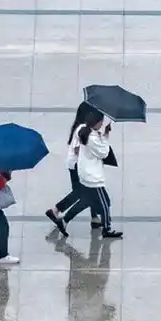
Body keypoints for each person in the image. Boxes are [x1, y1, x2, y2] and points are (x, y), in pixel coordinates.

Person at [45, 101, 102, 234]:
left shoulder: (83, 126)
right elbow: (78, 149)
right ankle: (56, 211)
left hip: (76, 165)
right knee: (84, 193)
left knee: (87, 191)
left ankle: (94, 218)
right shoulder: (82, 127)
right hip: (78, 166)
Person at [74, 107, 122, 239]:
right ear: (97, 122)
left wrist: (103, 134)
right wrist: (106, 136)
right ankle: (107, 229)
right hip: (93, 177)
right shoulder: (92, 138)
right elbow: (104, 153)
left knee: (98, 201)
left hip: (87, 174)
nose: (103, 123)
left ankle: (66, 219)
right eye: (101, 121)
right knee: (104, 203)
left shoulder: (85, 132)